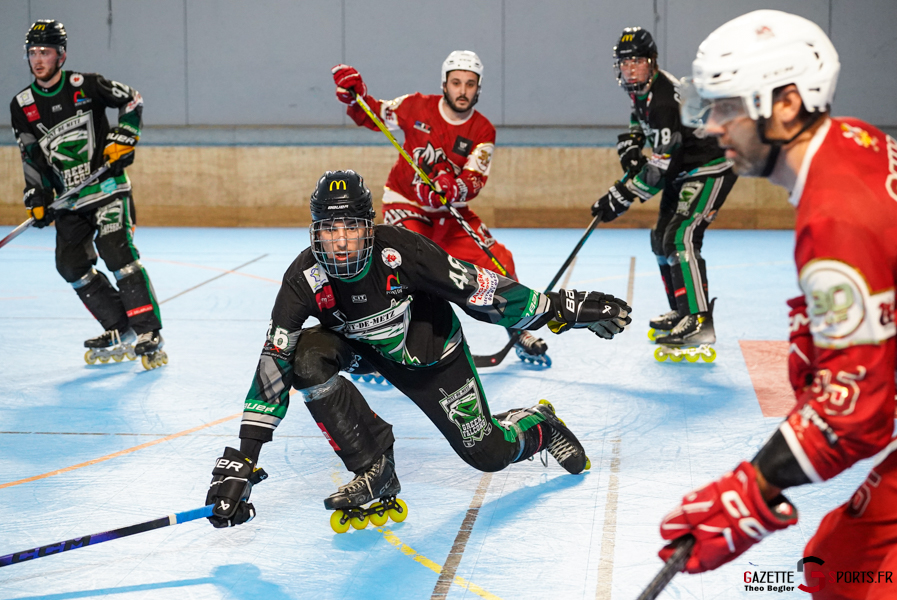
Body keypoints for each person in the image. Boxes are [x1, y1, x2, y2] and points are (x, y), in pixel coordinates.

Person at [204, 170, 632, 532]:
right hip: (363, 352)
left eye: (350, 227)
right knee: (304, 357)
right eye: (329, 229)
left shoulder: (404, 251)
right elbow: (273, 364)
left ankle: (539, 424)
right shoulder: (303, 278)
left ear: (368, 227)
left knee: (487, 455)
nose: (339, 241)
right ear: (315, 232)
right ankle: (375, 468)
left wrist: (563, 309)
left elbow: (483, 294)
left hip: (431, 357)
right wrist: (244, 458)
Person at [659, 10, 897, 599]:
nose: (712, 127)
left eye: (725, 108)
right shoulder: (856, 142)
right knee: (838, 561)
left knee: (850, 575)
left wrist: (754, 486)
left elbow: (857, 416)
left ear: (786, 104)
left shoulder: (835, 214)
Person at [330, 52, 551, 364]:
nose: (463, 90)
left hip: (450, 211)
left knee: (499, 260)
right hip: (406, 203)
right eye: (456, 82)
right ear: (445, 84)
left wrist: (452, 187)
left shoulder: (483, 130)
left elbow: (475, 179)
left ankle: (517, 330)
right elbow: (374, 114)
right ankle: (382, 341)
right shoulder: (415, 106)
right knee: (407, 267)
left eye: (470, 84)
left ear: (479, 88)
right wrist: (355, 97)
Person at [9, 20, 166, 369]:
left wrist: (124, 136)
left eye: (45, 52)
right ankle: (118, 326)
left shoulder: (87, 85)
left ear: (60, 55)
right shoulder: (22, 104)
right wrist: (37, 195)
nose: (38, 59)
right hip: (69, 201)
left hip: (107, 190)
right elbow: (31, 155)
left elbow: (132, 99)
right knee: (70, 264)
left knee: (117, 251)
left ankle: (147, 331)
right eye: (33, 52)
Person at [592, 27, 737, 349]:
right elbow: (638, 116)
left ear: (652, 62)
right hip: (682, 170)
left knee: (681, 235)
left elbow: (660, 167)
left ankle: (699, 320)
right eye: (624, 62)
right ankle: (682, 310)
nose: (630, 68)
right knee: (660, 239)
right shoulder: (642, 88)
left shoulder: (662, 99)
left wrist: (619, 197)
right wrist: (632, 143)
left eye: (637, 61)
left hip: (707, 169)